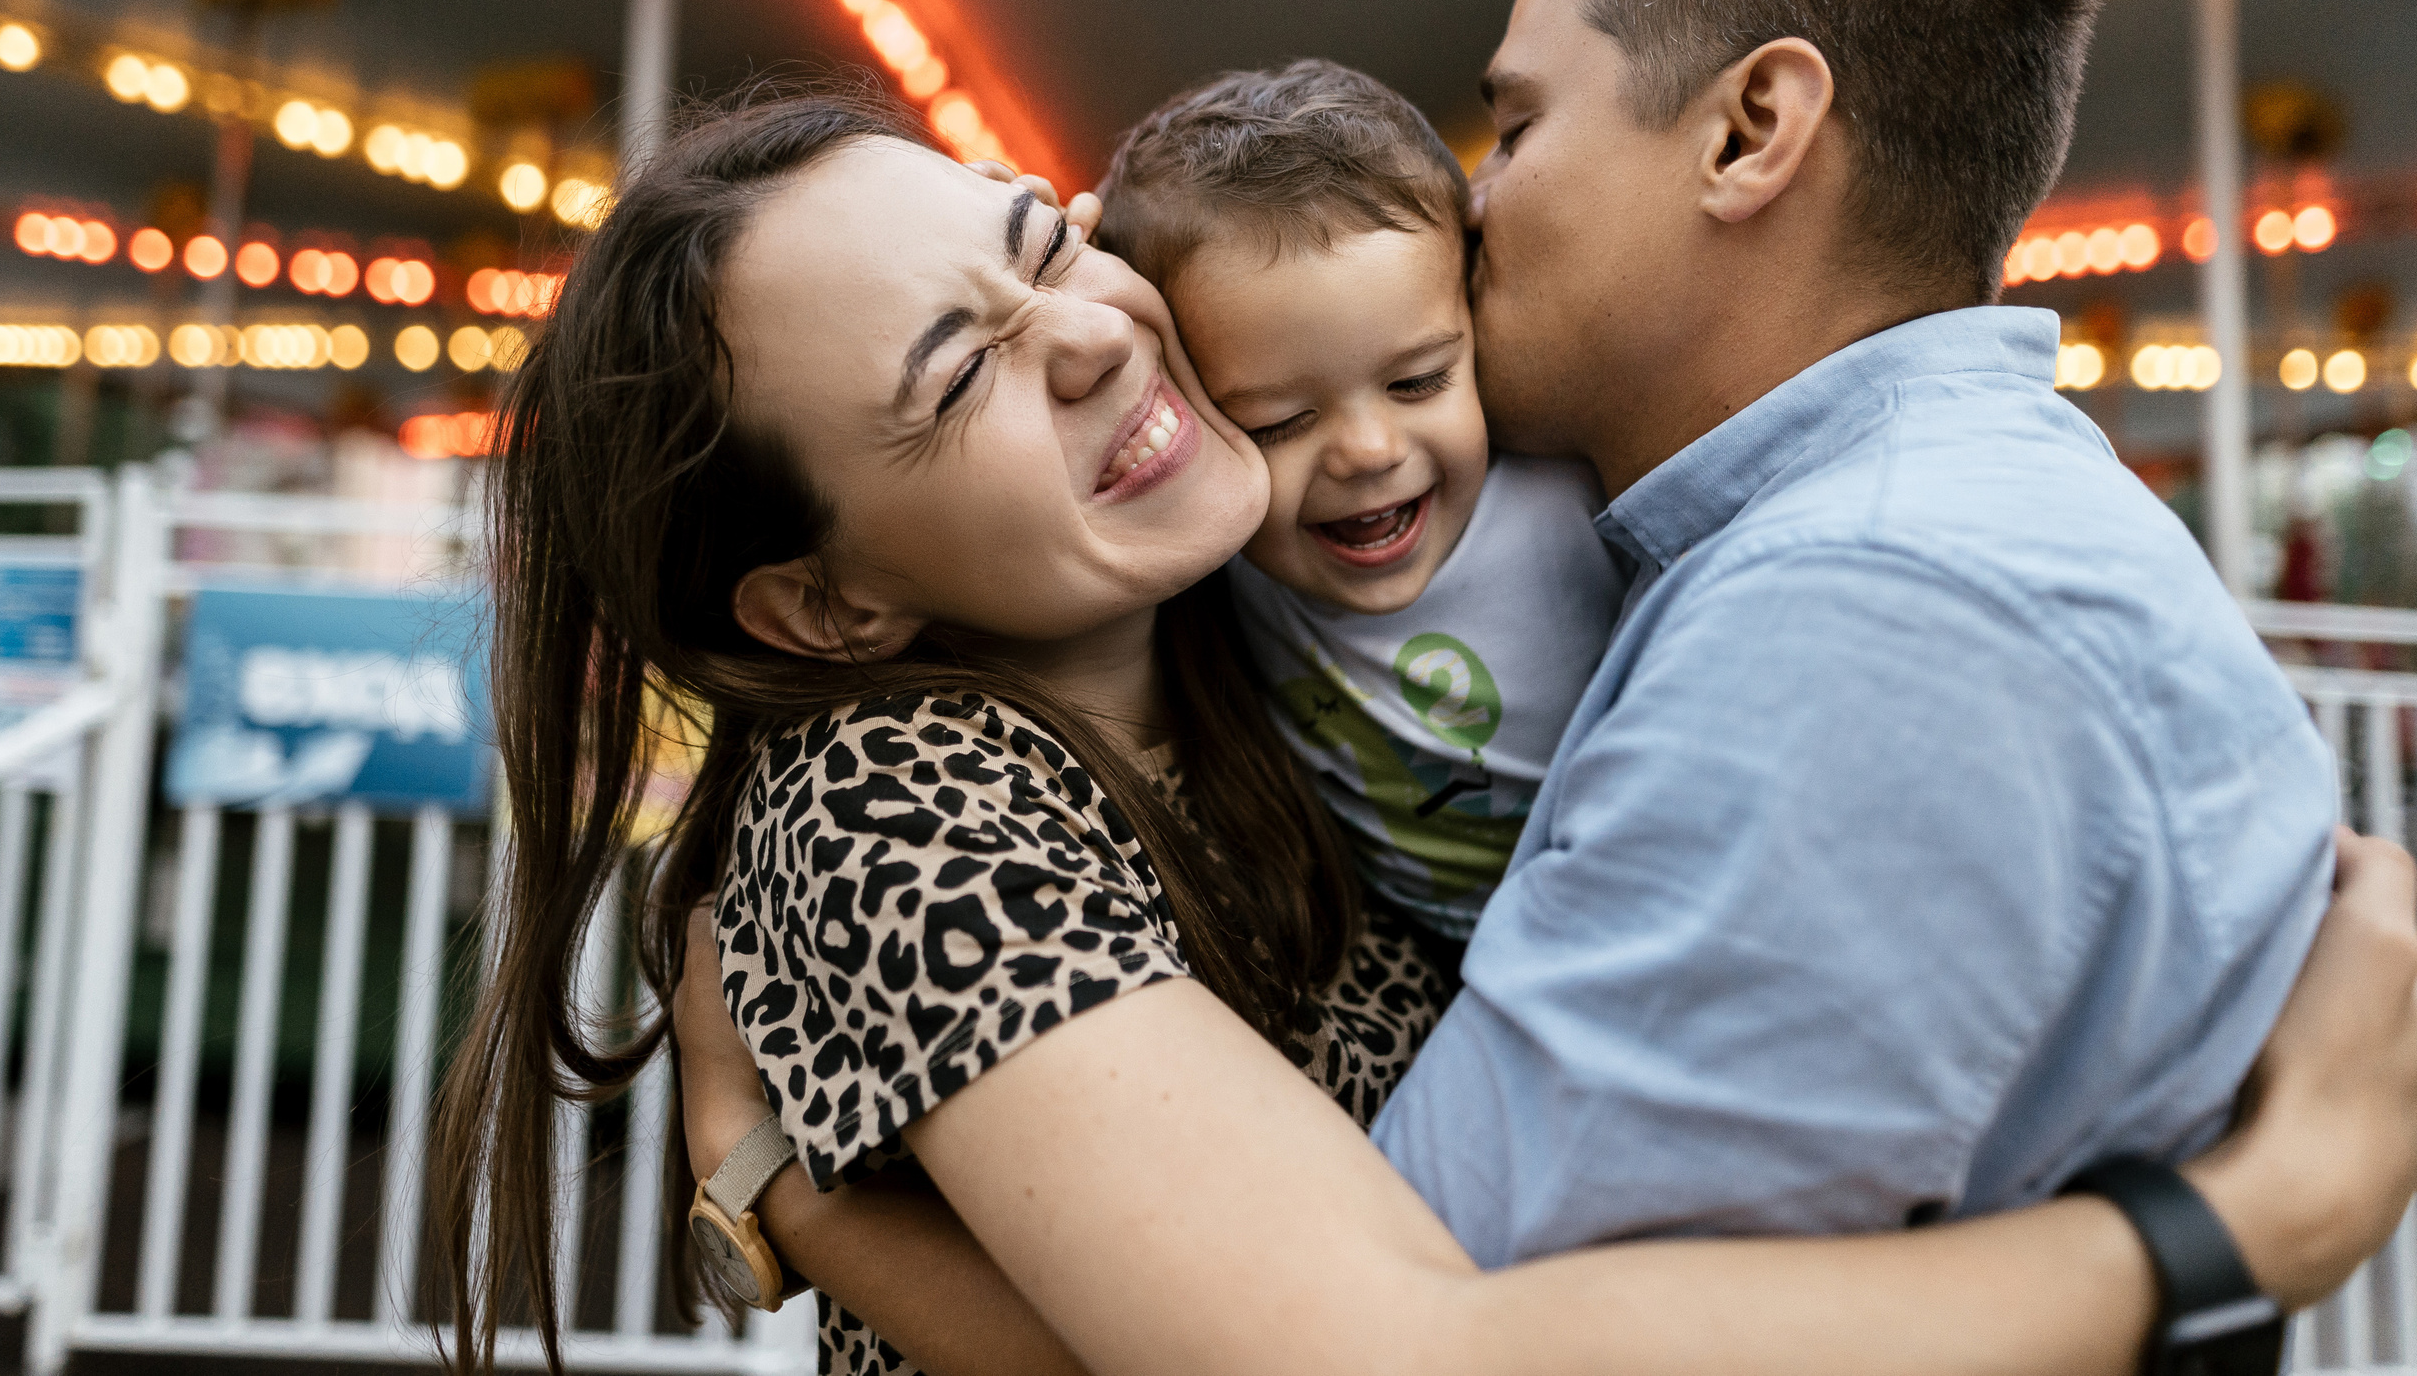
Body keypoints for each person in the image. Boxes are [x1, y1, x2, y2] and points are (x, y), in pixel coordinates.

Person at [432, 82, 2417, 1376]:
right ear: (830, 603)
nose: (1094, 332)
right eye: (960, 369)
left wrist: (779, 1190)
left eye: (1041, 241)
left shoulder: (1257, 624)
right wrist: (2239, 1219)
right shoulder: (897, 803)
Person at [1365, 0, 2340, 1268]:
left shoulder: (1867, 603)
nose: (1471, 203)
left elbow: (1425, 1300)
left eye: (1517, 124)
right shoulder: (1920, 526)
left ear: (1753, 129)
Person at [1094, 59, 1623, 957]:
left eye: (1419, 381)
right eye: (1278, 422)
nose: (1369, 450)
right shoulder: (1218, 558)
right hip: (1449, 975)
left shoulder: (1574, 501)